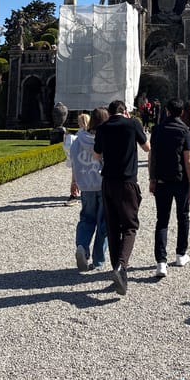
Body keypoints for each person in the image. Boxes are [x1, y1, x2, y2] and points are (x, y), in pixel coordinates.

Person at [93, 99, 150, 296]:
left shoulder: (103, 127)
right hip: (127, 182)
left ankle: (116, 269)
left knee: (113, 227)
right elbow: (147, 147)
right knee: (130, 226)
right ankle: (121, 267)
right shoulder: (132, 123)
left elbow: (96, 155)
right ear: (125, 111)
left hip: (108, 183)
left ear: (109, 113)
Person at [148, 97, 190, 278]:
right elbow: (189, 160)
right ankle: (181, 254)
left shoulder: (157, 129)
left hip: (161, 181)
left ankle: (161, 262)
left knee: (162, 221)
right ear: (182, 112)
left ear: (167, 111)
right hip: (180, 180)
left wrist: (152, 179)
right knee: (183, 217)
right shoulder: (184, 130)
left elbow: (152, 156)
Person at [70, 108, 109, 271]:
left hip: (85, 185)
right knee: (104, 223)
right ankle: (98, 260)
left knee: (86, 218)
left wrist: (74, 182)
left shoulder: (78, 139)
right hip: (103, 184)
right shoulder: (106, 138)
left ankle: (82, 246)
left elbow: (74, 161)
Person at [64, 112, 90, 205]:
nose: (78, 123)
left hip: (80, 158)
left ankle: (74, 195)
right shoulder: (88, 133)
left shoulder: (82, 133)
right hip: (85, 159)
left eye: (79, 121)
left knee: (76, 177)